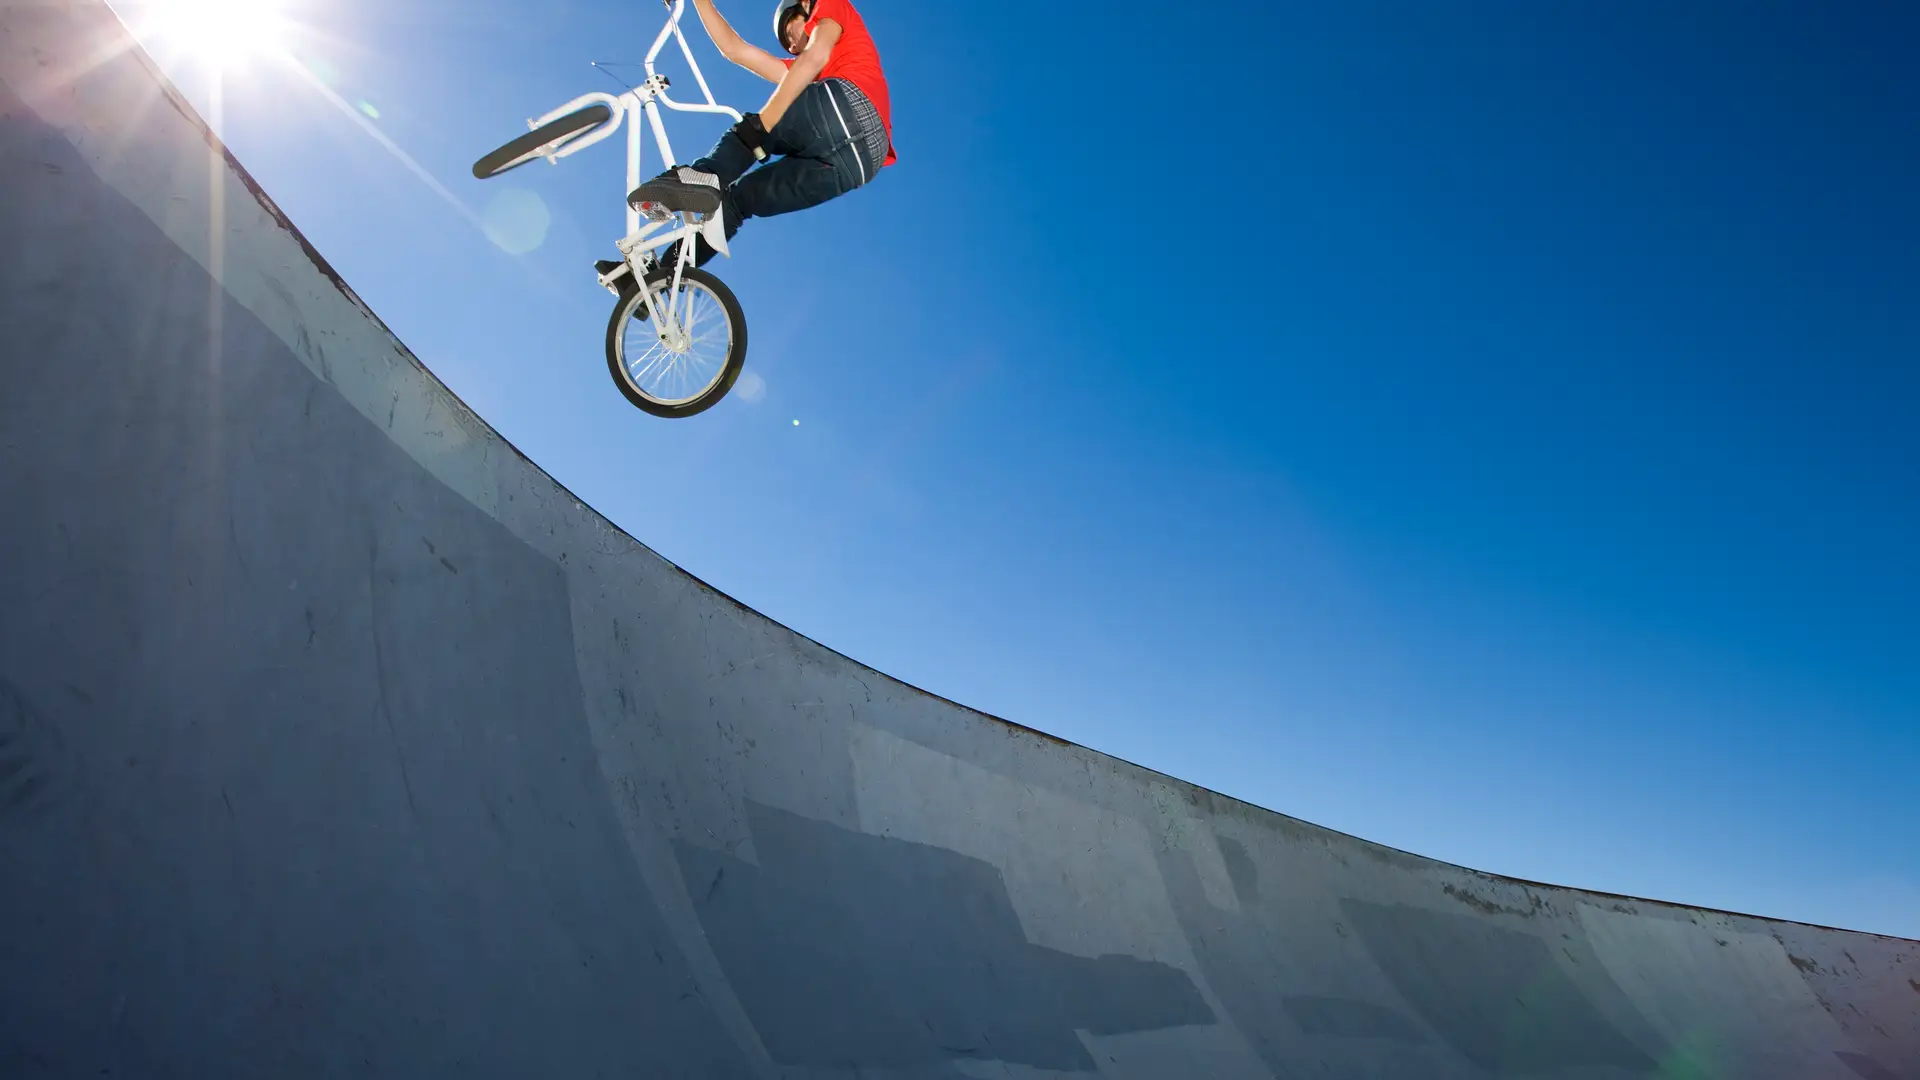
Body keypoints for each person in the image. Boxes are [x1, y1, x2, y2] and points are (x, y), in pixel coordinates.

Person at [620, 0, 894, 274]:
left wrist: (762, 126)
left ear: (806, 10)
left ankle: (703, 176)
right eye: (789, 46)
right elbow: (735, 51)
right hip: (860, 165)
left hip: (850, 104)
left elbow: (815, 56)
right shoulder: (803, 70)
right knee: (736, 202)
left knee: (750, 130)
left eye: (790, 33)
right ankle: (661, 274)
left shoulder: (830, 8)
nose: (792, 47)